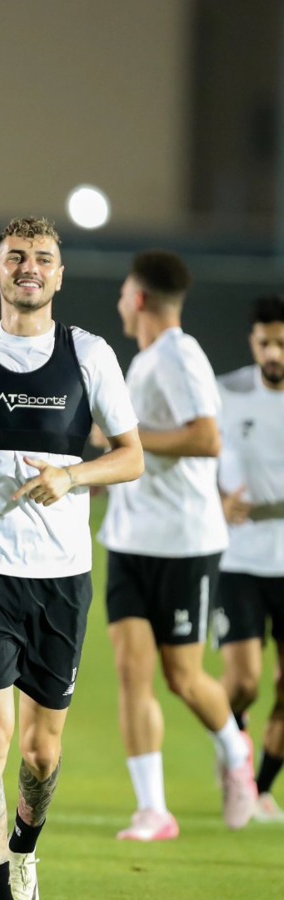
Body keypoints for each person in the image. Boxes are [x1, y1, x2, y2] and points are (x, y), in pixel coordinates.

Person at [0, 217, 142, 900]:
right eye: (15, 257)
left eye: (43, 258)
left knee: (41, 754)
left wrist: (71, 477)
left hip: (60, 575)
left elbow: (131, 457)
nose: (29, 267)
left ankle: (24, 849)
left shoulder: (89, 354)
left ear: (59, 276)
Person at [99, 250, 259, 841]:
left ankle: (235, 751)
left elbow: (207, 438)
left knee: (184, 678)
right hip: (129, 540)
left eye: (124, 292)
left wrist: (131, 440)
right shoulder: (144, 362)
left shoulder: (179, 355)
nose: (120, 301)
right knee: (131, 672)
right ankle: (153, 810)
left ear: (140, 298)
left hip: (185, 543)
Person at [214, 295, 284, 823]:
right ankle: (232, 751)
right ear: (252, 343)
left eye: (281, 343)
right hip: (238, 557)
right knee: (243, 682)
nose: (273, 353)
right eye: (265, 343)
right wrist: (218, 500)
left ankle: (258, 788)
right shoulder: (227, 392)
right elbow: (200, 455)